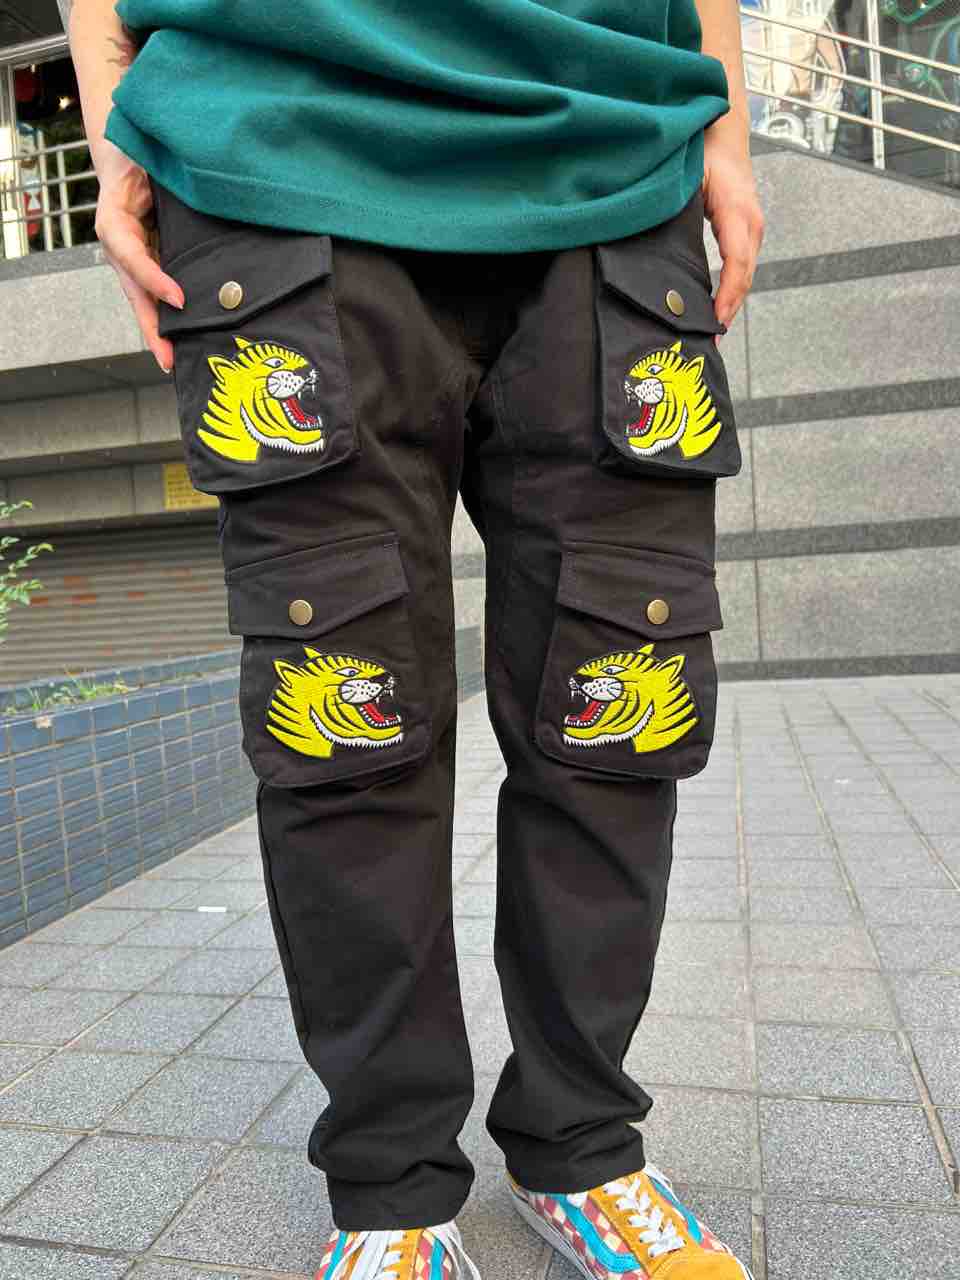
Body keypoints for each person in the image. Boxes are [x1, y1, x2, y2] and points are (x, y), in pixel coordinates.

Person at [67, 2, 764, 1277]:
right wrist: (116, 111)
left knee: (619, 707)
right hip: (274, 142)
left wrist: (725, 128)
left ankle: (582, 1142)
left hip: (614, 146)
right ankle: (390, 1185)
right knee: (343, 726)